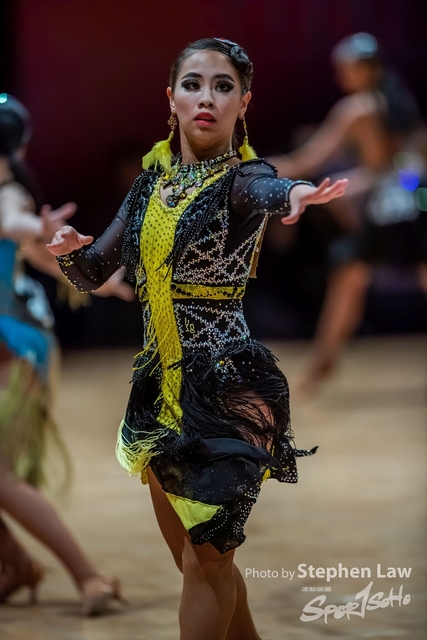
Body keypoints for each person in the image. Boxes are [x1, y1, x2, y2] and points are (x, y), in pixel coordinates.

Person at [47, 38, 347, 639]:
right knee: (202, 561)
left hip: (224, 393)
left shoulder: (244, 179)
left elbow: (269, 190)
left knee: (206, 563)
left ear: (243, 103)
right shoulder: (149, 187)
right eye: (193, 84)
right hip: (159, 394)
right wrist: (68, 251)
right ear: (171, 99)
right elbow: (94, 271)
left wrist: (297, 194)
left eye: (222, 86)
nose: (206, 97)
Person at [0, 93, 129, 615]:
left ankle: (89, 576)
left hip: (10, 346)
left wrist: (41, 229)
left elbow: (17, 226)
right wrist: (99, 279)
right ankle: (15, 564)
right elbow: (39, 254)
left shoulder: (8, 193)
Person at [269, 33, 427, 394]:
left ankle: (320, 367)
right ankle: (322, 366)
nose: (341, 75)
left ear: (365, 70)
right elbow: (399, 165)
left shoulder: (357, 108)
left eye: (346, 68)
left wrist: (267, 169)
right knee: (355, 274)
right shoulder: (398, 104)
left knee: (349, 274)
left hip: (389, 208)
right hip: (413, 200)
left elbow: (309, 159)